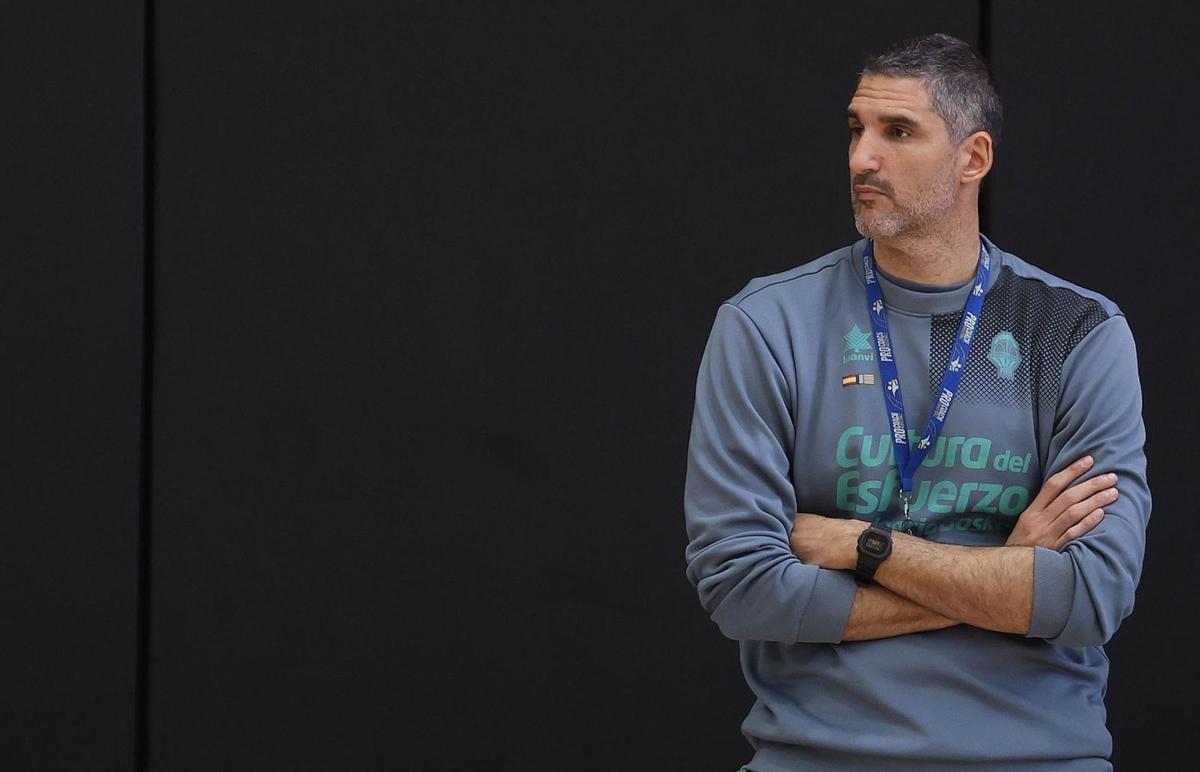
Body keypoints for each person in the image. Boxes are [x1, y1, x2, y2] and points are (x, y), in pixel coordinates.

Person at [682, 33, 1150, 771]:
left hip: (1040, 759)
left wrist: (863, 547)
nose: (862, 158)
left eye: (898, 132)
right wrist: (1007, 571)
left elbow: (1091, 599)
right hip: (817, 758)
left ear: (974, 159)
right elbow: (743, 589)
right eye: (856, 128)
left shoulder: (1077, 331)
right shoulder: (767, 324)